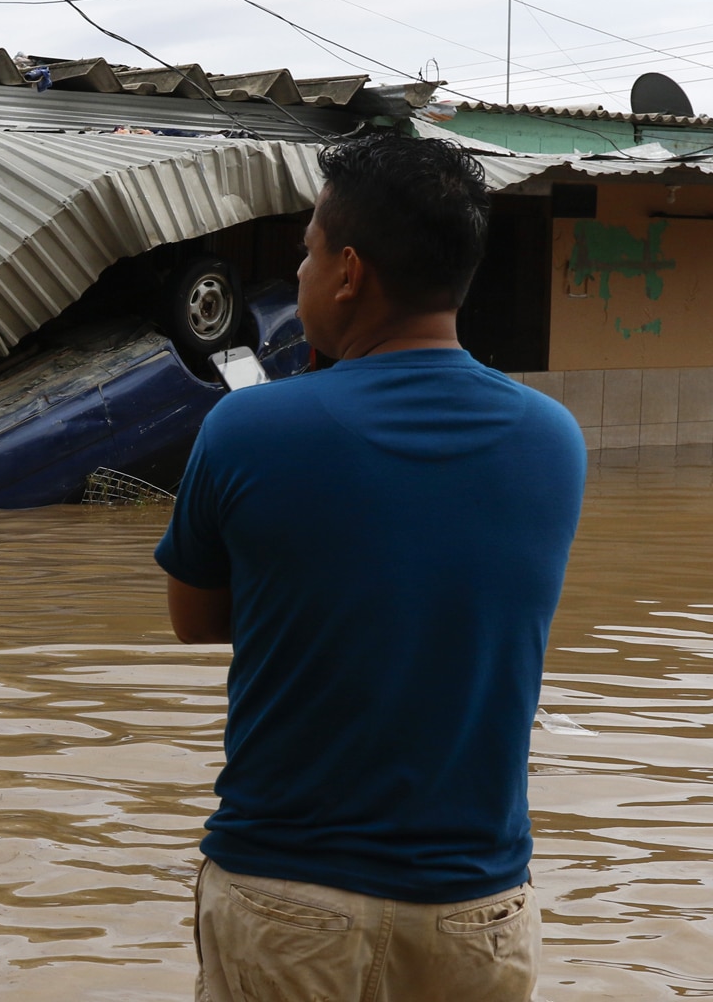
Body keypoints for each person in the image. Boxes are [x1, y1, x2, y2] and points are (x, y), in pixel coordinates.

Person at [155, 134, 586, 1001]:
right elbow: (467, 603)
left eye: (308, 251)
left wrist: (306, 595)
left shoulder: (246, 430)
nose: (302, 272)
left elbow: (195, 619)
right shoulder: (556, 442)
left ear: (349, 272)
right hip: (477, 910)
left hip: (286, 897)